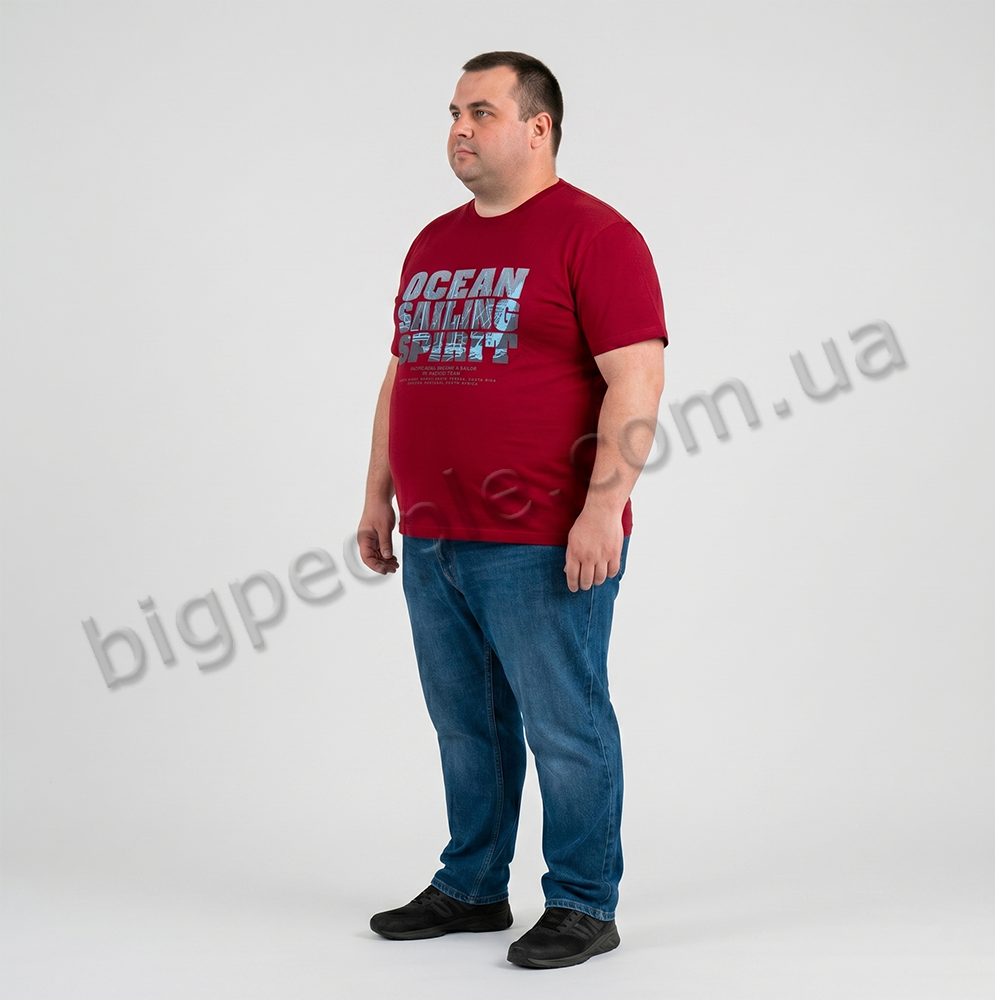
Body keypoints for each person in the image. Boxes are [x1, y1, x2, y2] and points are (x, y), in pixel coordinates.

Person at [357, 51, 668, 970]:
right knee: (467, 728)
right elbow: (401, 374)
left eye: (481, 112)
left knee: (564, 725)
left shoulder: (597, 236)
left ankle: (582, 902)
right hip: (436, 536)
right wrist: (377, 492)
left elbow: (637, 381)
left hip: (541, 539)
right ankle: (471, 885)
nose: (459, 128)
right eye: (454, 112)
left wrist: (602, 510)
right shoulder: (432, 242)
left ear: (538, 127)